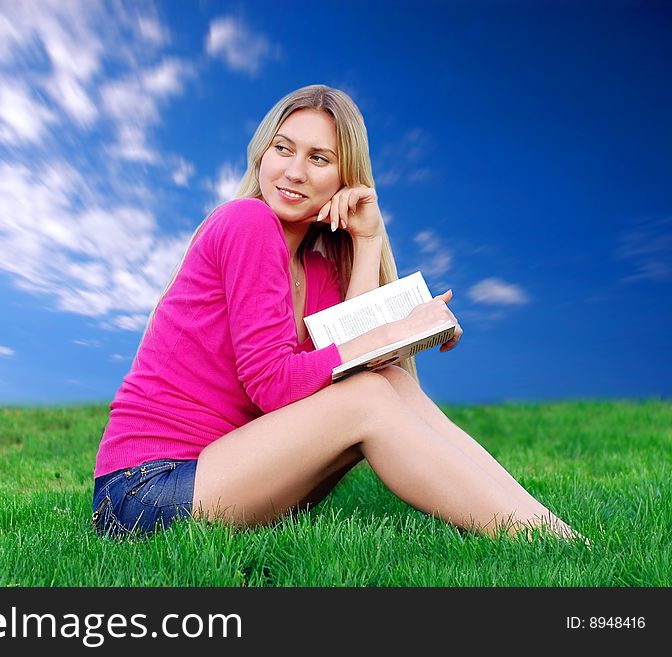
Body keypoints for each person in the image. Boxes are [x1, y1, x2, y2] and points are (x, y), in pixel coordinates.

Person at [92, 84, 582, 542]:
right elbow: (273, 384)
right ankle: (538, 538)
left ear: (344, 178)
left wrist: (367, 241)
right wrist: (394, 328)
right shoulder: (247, 223)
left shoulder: (316, 266)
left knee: (391, 382)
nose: (294, 171)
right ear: (262, 152)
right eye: (283, 149)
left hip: (221, 471)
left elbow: (355, 357)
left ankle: (549, 532)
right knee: (368, 394)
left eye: (318, 158)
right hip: (144, 490)